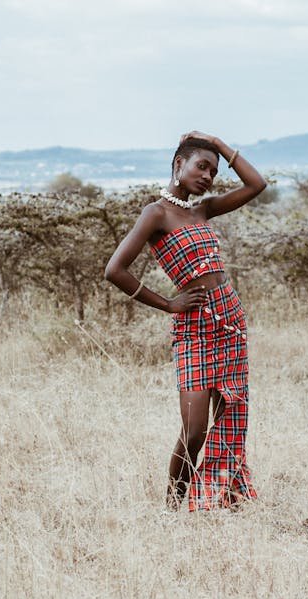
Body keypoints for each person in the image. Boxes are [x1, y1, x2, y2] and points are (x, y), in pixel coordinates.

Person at [105, 132, 268, 510]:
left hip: (230, 322)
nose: (208, 175)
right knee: (194, 431)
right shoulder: (156, 214)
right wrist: (168, 303)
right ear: (178, 164)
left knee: (230, 419)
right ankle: (173, 508)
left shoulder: (203, 210)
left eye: (213, 169)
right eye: (201, 165)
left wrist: (218, 143)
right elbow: (115, 270)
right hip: (193, 328)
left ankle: (221, 500)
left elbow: (256, 184)